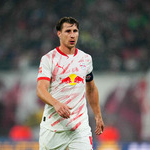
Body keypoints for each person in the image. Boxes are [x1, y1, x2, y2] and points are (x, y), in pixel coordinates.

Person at [37, 16, 105, 150]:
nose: (72, 35)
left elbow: (91, 89)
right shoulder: (48, 59)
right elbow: (41, 89)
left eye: (75, 31)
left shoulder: (86, 59)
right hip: (53, 128)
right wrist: (56, 103)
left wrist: (98, 115)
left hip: (80, 128)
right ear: (59, 33)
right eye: (68, 31)